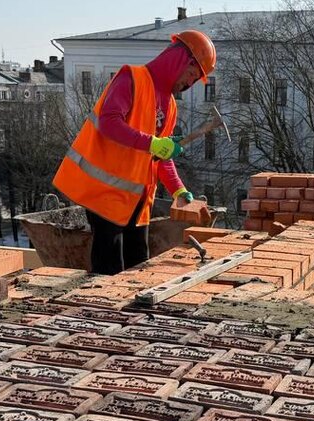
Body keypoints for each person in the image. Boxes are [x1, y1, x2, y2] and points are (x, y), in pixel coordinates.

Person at [52, 30, 215, 275]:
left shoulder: (170, 105)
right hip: (105, 194)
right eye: (191, 74)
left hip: (137, 201)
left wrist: (178, 189)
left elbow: (160, 156)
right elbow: (109, 123)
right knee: (110, 269)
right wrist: (153, 143)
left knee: (139, 264)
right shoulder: (131, 78)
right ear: (179, 60)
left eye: (195, 80)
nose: (189, 83)